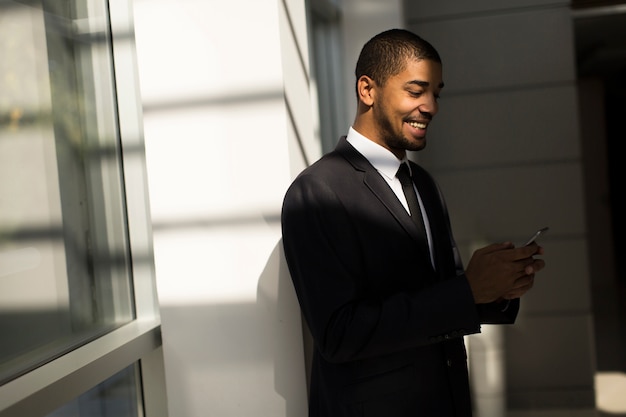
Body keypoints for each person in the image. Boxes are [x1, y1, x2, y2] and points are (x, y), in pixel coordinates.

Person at [280, 28, 545, 417]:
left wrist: (499, 287)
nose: (432, 106)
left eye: (436, 93)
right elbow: (338, 334)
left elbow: (445, 293)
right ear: (367, 90)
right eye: (416, 91)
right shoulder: (316, 192)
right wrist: (468, 290)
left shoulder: (423, 184)